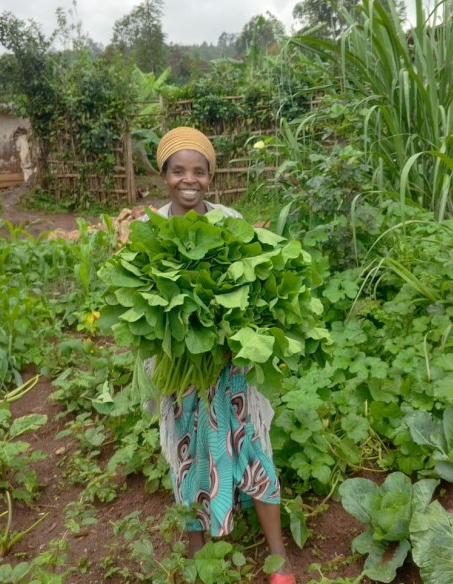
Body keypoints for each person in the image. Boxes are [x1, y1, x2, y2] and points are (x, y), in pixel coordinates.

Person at [146, 126, 295, 584]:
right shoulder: (148, 229)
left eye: (198, 171)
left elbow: (250, 289)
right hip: (181, 373)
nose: (187, 180)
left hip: (230, 367)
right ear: (164, 174)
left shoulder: (230, 220)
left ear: (210, 175)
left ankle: (279, 559)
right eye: (177, 171)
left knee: (252, 446)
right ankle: (200, 563)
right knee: (188, 456)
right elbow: (142, 307)